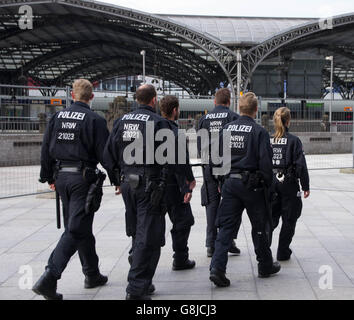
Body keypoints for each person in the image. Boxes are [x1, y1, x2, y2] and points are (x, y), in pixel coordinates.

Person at [33, 79, 111, 300]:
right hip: (82, 180)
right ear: (91, 96)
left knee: (79, 226)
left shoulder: (57, 117)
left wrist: (47, 176)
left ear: (73, 95)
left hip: (61, 179)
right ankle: (50, 276)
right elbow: (105, 154)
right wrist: (117, 178)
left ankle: (92, 274)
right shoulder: (94, 120)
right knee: (76, 228)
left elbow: (46, 148)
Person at [103, 84, 170, 300]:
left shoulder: (122, 121)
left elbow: (108, 153)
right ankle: (136, 287)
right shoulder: (158, 122)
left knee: (137, 231)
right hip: (148, 185)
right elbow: (171, 157)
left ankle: (143, 279)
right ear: (153, 100)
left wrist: (117, 179)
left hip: (127, 183)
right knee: (146, 234)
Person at [209, 92, 281, 287]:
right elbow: (266, 164)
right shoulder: (259, 132)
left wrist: (219, 181)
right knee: (259, 227)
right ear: (256, 109)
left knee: (225, 228)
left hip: (230, 184)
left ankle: (217, 268)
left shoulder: (226, 129)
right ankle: (265, 265)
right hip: (253, 186)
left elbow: (216, 159)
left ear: (238, 108)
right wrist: (270, 186)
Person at [197, 88, 241, 258]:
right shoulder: (233, 117)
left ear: (214, 102)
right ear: (229, 102)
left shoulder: (203, 119)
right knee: (233, 206)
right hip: (229, 168)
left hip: (209, 167)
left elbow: (201, 148)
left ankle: (211, 244)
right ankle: (228, 241)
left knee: (211, 205)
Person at [159, 95, 196, 270]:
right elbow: (181, 161)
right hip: (173, 184)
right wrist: (187, 183)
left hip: (156, 183)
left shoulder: (154, 129)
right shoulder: (175, 133)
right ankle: (180, 258)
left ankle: (135, 253)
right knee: (183, 220)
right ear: (175, 110)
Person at [271, 107, 310, 261]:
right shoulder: (294, 141)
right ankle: (282, 251)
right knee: (289, 218)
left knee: (271, 218)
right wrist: (306, 186)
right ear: (288, 121)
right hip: (289, 183)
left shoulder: (269, 139)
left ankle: (264, 250)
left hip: (272, 182)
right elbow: (301, 165)